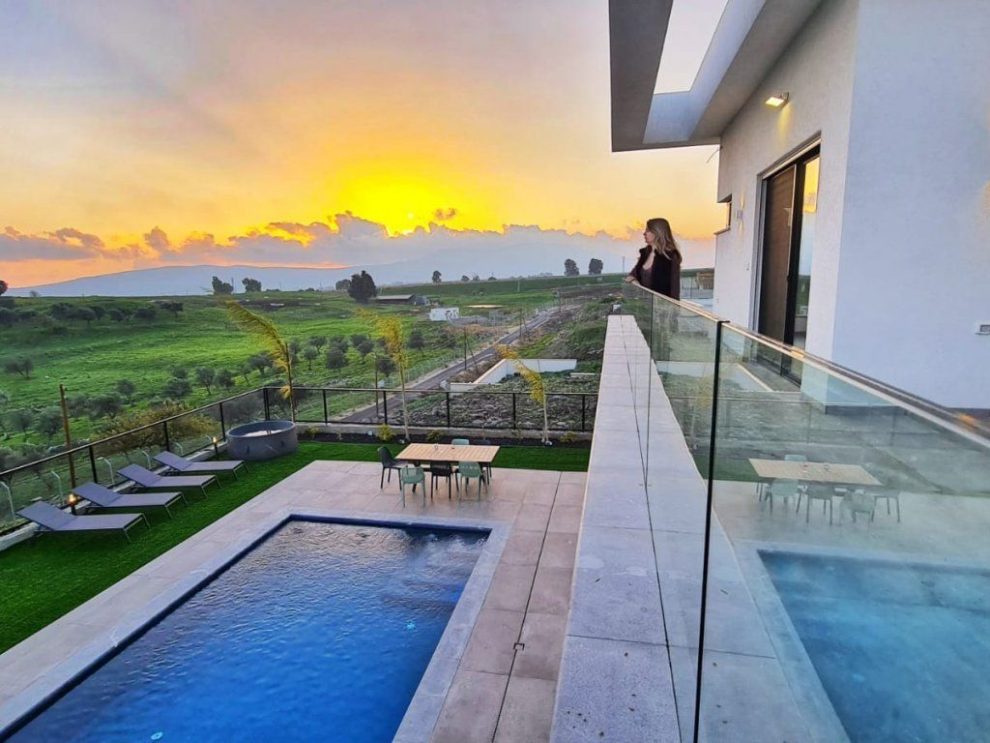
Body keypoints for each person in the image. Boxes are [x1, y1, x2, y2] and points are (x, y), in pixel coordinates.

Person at [625, 217, 682, 299]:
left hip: (660, 304)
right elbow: (631, 276)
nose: (644, 233)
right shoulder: (645, 253)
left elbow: (674, 290)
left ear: (657, 233)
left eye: (648, 230)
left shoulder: (671, 257)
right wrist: (635, 282)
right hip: (643, 303)